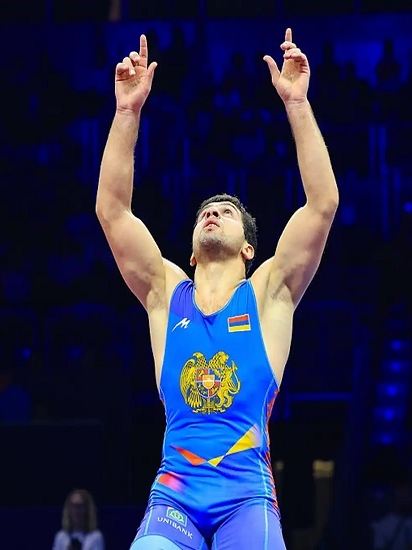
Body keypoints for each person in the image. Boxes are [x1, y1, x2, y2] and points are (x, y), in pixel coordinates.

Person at [95, 29, 338, 550]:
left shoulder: (269, 293)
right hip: (175, 497)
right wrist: (126, 112)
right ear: (190, 251)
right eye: (206, 211)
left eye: (226, 212)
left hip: (245, 498)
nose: (212, 213)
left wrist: (297, 104)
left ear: (249, 248)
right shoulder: (165, 292)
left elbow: (322, 205)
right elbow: (112, 212)